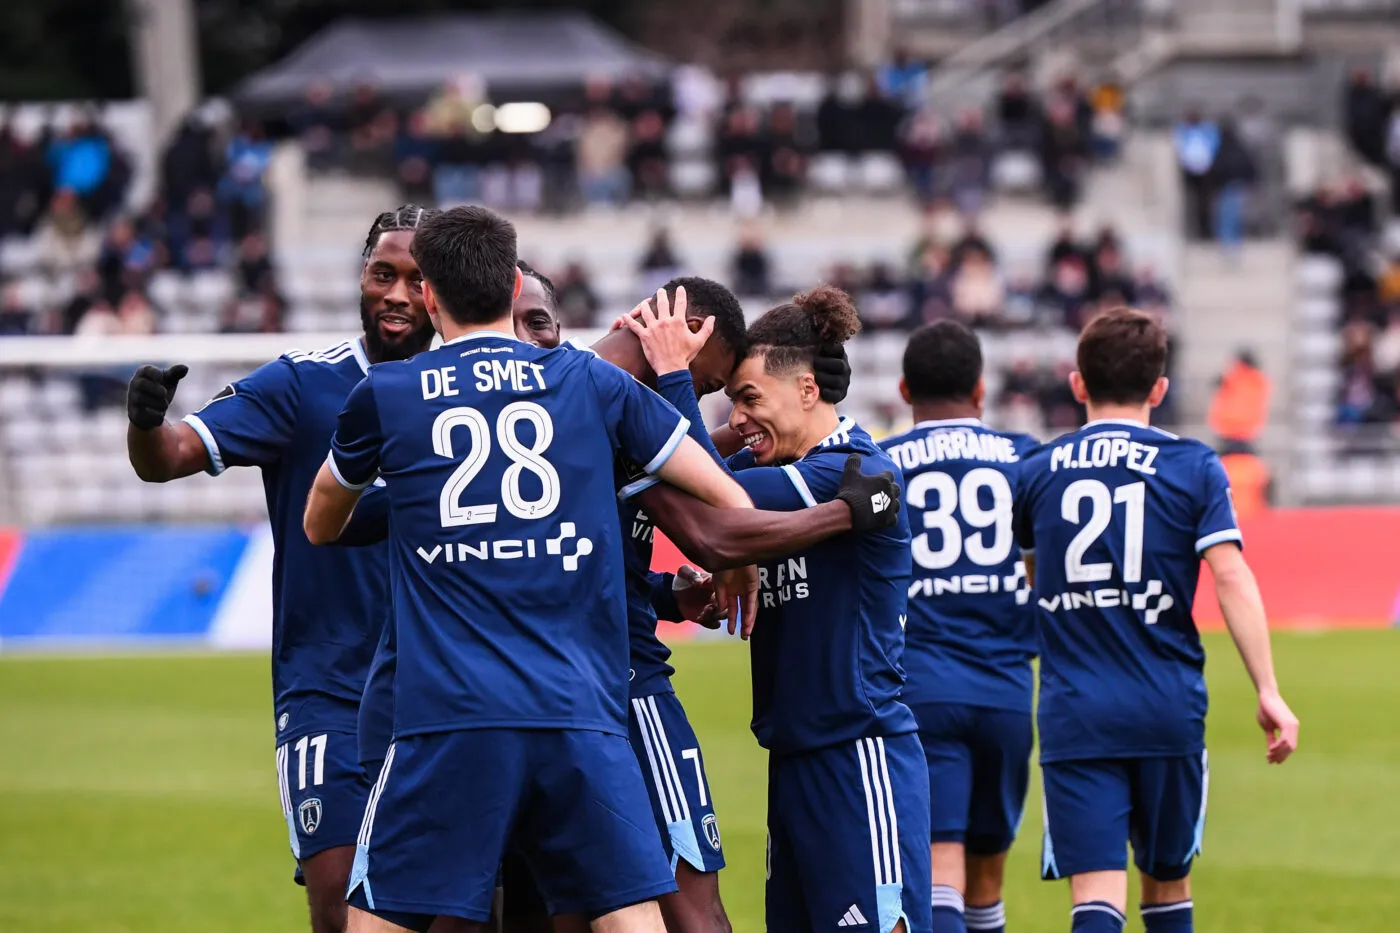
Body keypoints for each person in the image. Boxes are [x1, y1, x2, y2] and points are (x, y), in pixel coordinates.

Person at [303, 207, 898, 933]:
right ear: (514, 285)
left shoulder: (395, 397)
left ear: (432, 297)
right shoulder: (591, 388)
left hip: (448, 706)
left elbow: (327, 522)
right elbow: (720, 517)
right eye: (713, 386)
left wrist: (667, 590)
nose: (720, 411)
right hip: (593, 696)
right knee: (659, 910)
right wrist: (820, 517)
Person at [124, 205, 440, 933]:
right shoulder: (303, 385)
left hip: (445, 690)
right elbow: (170, 456)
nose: (395, 293)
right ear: (360, 278)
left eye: (415, 279)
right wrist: (144, 422)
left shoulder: (477, 395)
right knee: (338, 908)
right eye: (381, 273)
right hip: (328, 689)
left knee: (460, 913)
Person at [1013, 308, 1300, 933]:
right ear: (1160, 389)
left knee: (1094, 895)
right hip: (1166, 705)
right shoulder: (1194, 466)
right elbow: (1230, 575)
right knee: (1168, 886)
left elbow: (1038, 578)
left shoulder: (1035, 472)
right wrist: (1268, 691)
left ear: (1078, 384)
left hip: (1076, 709)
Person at [723, 286, 932, 933]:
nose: (737, 418)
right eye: (731, 399)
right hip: (795, 762)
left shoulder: (847, 470)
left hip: (857, 755)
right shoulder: (788, 466)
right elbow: (696, 473)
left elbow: (702, 486)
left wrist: (674, 377)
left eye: (750, 397)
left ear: (808, 391)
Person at [878, 322, 1039, 933]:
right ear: (981, 388)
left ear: (902, 388)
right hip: (1005, 687)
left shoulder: (880, 460)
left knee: (938, 865)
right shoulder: (1025, 458)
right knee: (987, 876)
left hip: (919, 686)